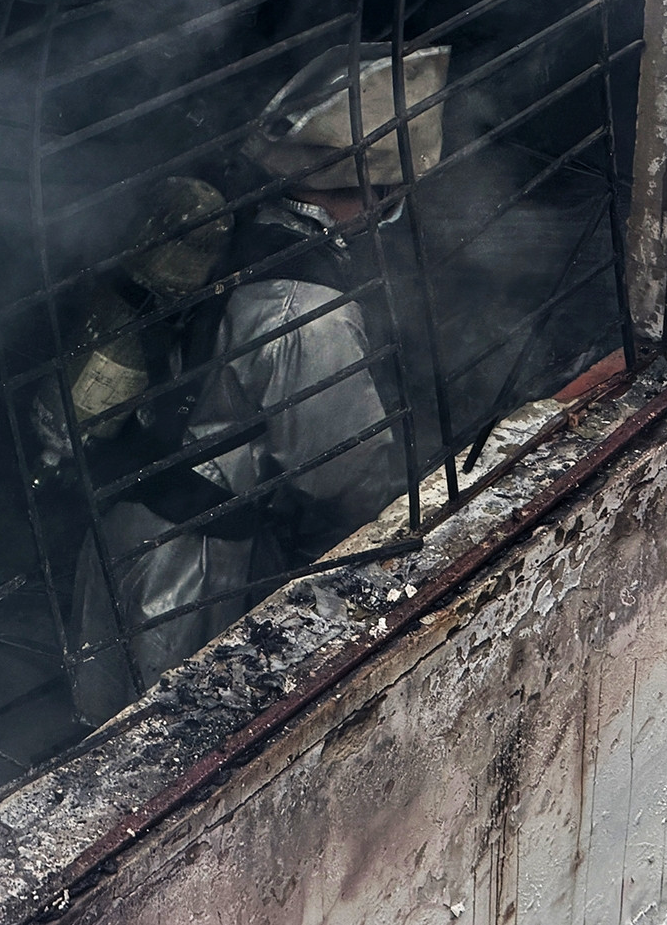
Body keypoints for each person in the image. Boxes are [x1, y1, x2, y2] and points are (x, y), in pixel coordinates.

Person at [67, 43, 449, 724]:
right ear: (376, 191)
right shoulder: (304, 307)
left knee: (105, 710)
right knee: (171, 736)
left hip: (122, 515)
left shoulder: (232, 221)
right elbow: (342, 466)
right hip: (191, 558)